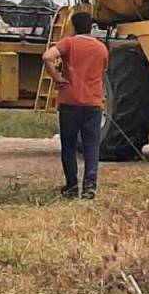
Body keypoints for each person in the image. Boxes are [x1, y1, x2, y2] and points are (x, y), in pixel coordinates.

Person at [42, 12, 108, 200]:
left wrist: (57, 77)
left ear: (73, 26)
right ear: (91, 27)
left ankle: (71, 186)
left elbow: (47, 57)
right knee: (92, 146)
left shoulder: (68, 43)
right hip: (93, 103)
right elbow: (103, 70)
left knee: (69, 146)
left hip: (69, 102)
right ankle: (90, 187)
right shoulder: (102, 48)